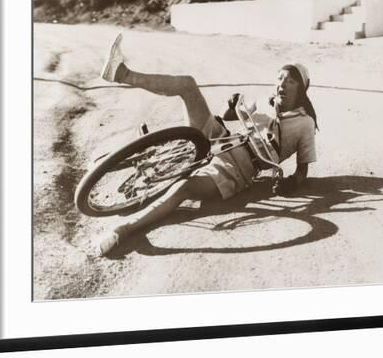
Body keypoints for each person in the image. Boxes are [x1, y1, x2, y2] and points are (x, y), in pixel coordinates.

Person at [93, 33, 318, 256]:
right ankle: (121, 73)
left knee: (184, 189)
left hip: (237, 168)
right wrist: (231, 106)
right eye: (280, 78)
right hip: (222, 137)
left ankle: (120, 231)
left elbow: (302, 170)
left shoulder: (305, 123)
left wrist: (292, 183)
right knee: (188, 85)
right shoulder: (265, 103)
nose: (282, 84)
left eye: (290, 81)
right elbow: (226, 116)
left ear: (301, 89)